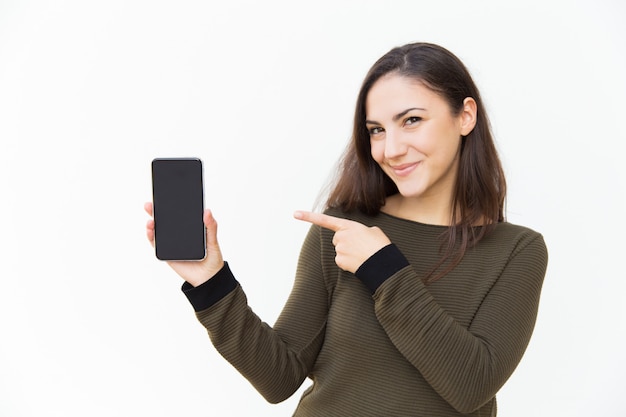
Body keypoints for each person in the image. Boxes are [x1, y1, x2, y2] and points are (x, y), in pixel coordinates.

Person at [144, 42, 548, 416]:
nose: (390, 149)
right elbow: (279, 377)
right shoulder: (342, 229)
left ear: (465, 116)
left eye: (412, 120)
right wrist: (211, 282)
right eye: (377, 130)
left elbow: (470, 385)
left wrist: (384, 269)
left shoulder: (517, 250)